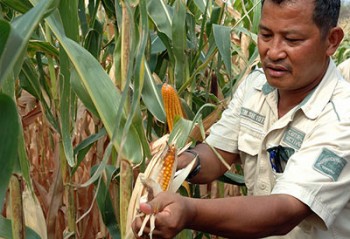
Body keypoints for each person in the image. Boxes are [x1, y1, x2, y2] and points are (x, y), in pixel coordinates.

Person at [132, 0, 350, 238]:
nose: (273, 52)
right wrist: (179, 162)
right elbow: (217, 156)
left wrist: (189, 212)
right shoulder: (255, 86)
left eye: (292, 40)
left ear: (332, 41)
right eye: (266, 35)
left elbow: (286, 211)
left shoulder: (342, 115)